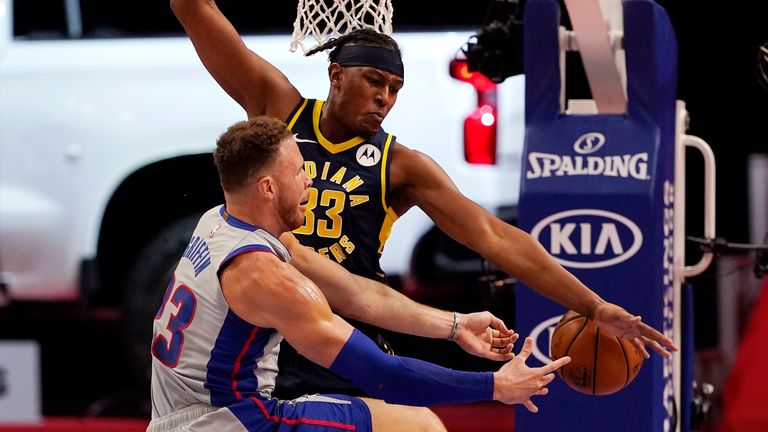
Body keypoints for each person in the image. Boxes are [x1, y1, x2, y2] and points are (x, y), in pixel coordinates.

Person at [170, 0, 677, 400]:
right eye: (374, 81)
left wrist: (589, 303)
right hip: (272, 321)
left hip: (348, 323)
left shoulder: (400, 165)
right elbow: (195, 10)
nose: (385, 98)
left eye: (395, 88)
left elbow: (495, 236)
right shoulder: (280, 108)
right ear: (336, 74)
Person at [147, 116, 571, 432]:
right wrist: (495, 386)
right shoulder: (266, 277)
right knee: (420, 427)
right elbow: (384, 376)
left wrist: (455, 326)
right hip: (232, 422)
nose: (309, 180)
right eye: (298, 170)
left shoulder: (219, 221)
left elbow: (356, 294)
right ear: (268, 188)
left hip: (172, 419)